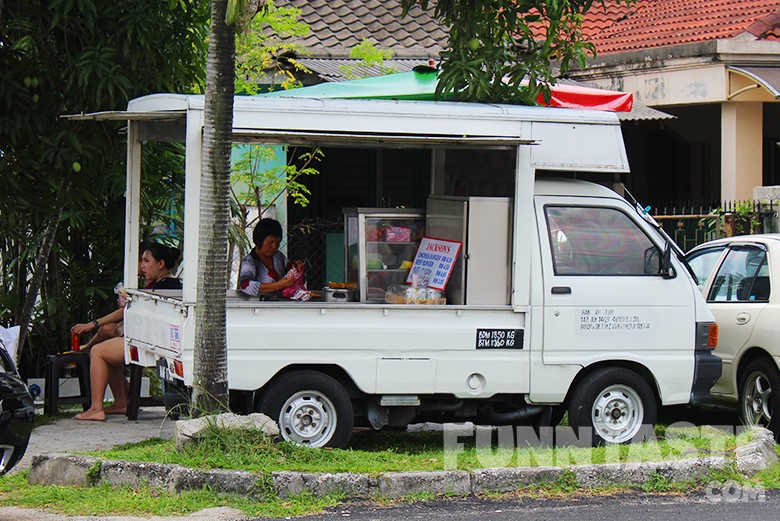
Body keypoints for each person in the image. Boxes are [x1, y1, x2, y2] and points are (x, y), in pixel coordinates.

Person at [74, 242, 181, 421]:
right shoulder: (165, 283)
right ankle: (122, 401)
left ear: (160, 264)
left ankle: (96, 408)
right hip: (152, 339)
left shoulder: (161, 287)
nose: (142, 266)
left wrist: (93, 324)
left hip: (153, 343)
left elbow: (130, 312)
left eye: (146, 261)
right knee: (107, 336)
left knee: (98, 352)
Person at [239, 218, 304, 297]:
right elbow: (245, 285)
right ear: (258, 240)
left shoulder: (278, 257)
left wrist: (297, 268)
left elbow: (291, 269)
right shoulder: (249, 262)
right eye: (270, 242)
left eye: (277, 242)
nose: (274, 247)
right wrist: (278, 285)